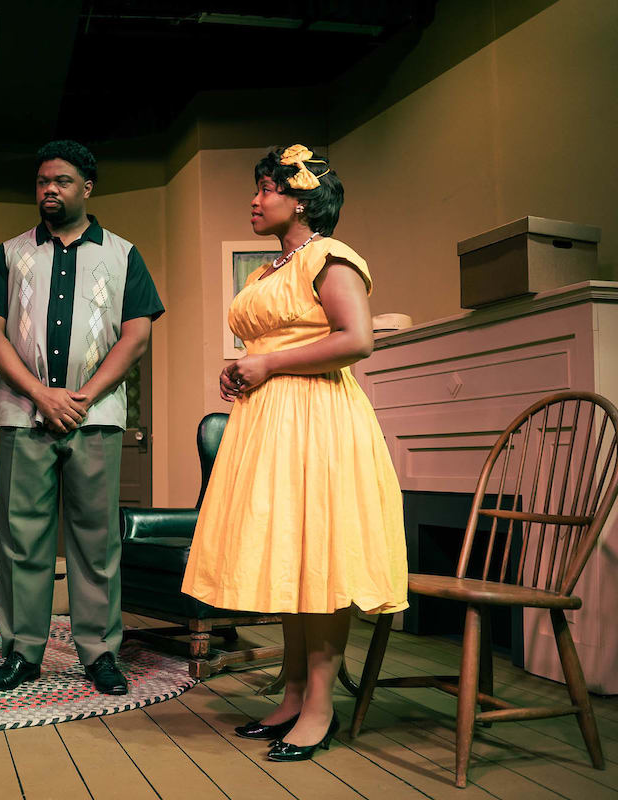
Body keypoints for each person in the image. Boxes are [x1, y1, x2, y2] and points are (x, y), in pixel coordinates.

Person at [181, 145, 408, 761]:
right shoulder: (267, 272)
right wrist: (241, 372)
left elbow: (355, 339)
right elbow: (274, 341)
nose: (254, 201)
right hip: (269, 423)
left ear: (301, 198)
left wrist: (268, 363)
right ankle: (289, 691)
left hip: (319, 420)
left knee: (322, 555)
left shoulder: (331, 258)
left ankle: (319, 705)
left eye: (264, 189)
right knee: (290, 552)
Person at [0, 140, 164, 696]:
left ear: (87, 188)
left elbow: (137, 334)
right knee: (23, 539)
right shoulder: (9, 253)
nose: (49, 189)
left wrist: (79, 397)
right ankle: (21, 653)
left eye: (62, 181)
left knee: (96, 541)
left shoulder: (124, 255)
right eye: (41, 181)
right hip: (21, 415)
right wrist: (40, 395)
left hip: (95, 417)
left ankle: (99, 653)